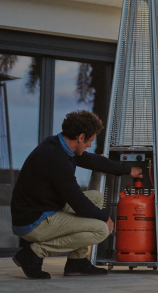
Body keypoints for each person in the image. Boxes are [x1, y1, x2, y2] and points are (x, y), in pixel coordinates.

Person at [11, 110, 142, 279]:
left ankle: (77, 262)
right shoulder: (56, 158)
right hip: (34, 221)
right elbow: (77, 202)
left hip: (43, 209)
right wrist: (105, 217)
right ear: (81, 137)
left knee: (96, 197)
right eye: (90, 141)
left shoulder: (59, 145)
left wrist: (127, 170)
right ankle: (33, 254)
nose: (89, 145)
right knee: (100, 230)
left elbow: (93, 160)